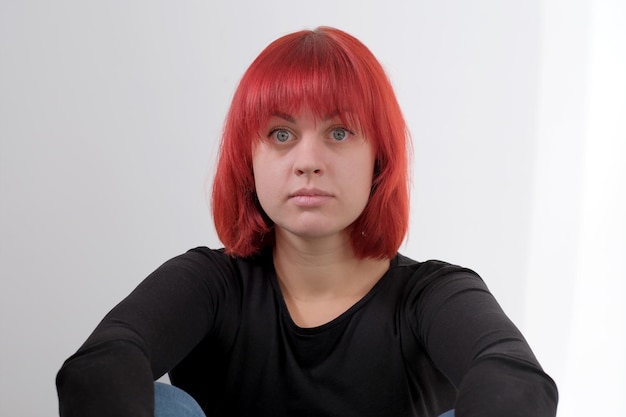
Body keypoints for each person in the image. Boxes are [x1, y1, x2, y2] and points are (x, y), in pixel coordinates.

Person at [56, 27, 558, 417]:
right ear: (246, 160)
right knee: (162, 405)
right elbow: (102, 363)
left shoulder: (434, 295)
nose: (308, 160)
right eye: (280, 134)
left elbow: (516, 378)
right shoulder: (211, 282)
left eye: (339, 132)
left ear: (378, 160)